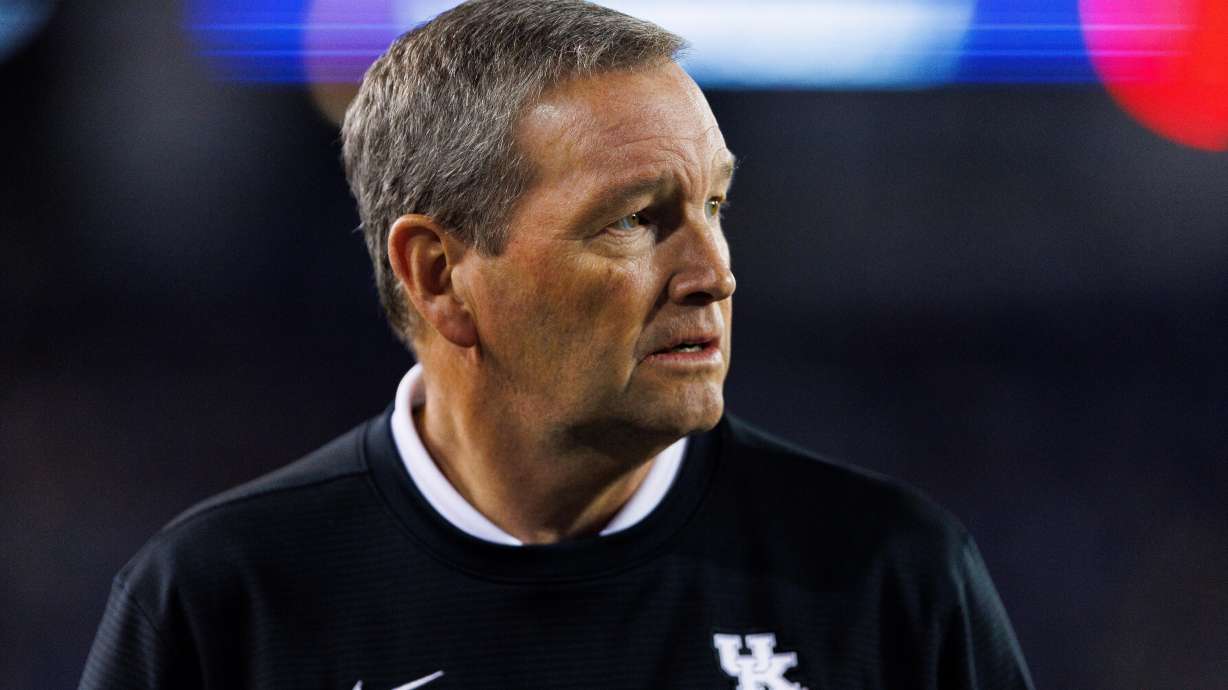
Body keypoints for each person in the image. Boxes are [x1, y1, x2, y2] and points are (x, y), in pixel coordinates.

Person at [80, 1, 1034, 688]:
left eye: (714, 206)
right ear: (439, 274)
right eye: (633, 220)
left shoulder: (889, 580)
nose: (714, 271)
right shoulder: (219, 605)